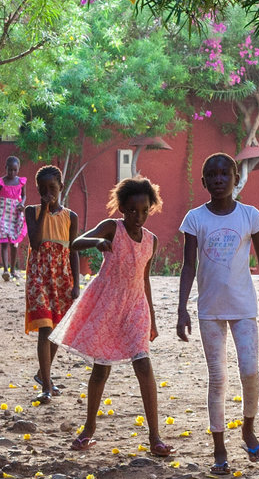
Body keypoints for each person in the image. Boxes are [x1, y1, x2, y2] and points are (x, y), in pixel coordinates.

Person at [176, 151, 259, 476]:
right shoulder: (195, 219)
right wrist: (182, 309)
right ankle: (219, 449)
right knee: (218, 378)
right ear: (203, 182)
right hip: (209, 310)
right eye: (212, 176)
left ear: (236, 179)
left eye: (225, 174)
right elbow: (188, 266)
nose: (218, 180)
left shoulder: (249, 216)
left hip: (243, 308)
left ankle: (248, 430)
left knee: (250, 371)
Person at [54, 175, 173, 458]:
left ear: (150, 208)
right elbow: (76, 243)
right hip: (107, 305)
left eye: (144, 210)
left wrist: (152, 320)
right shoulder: (111, 228)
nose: (138, 216)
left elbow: (145, 280)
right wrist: (97, 243)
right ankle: (89, 429)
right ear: (122, 209)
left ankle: (155, 436)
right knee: (101, 368)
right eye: (132, 210)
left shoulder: (151, 241)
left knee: (143, 365)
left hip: (135, 308)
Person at [22, 165, 78, 403]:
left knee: (57, 331)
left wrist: (76, 283)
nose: (48, 193)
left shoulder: (70, 217)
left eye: (52, 188)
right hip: (39, 278)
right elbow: (35, 242)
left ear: (61, 188)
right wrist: (44, 209)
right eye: (43, 190)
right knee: (45, 328)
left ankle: (42, 374)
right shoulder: (31, 211)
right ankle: (46, 385)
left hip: (62, 277)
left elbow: (74, 250)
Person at [0, 155, 30, 280]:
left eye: (14, 170)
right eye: (10, 169)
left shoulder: (21, 182)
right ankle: (5, 270)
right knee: (4, 242)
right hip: (2, 214)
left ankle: (13, 270)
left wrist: (22, 204)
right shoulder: (0, 182)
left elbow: (24, 196)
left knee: (14, 243)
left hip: (15, 214)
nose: (12, 172)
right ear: (5, 168)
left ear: (18, 170)